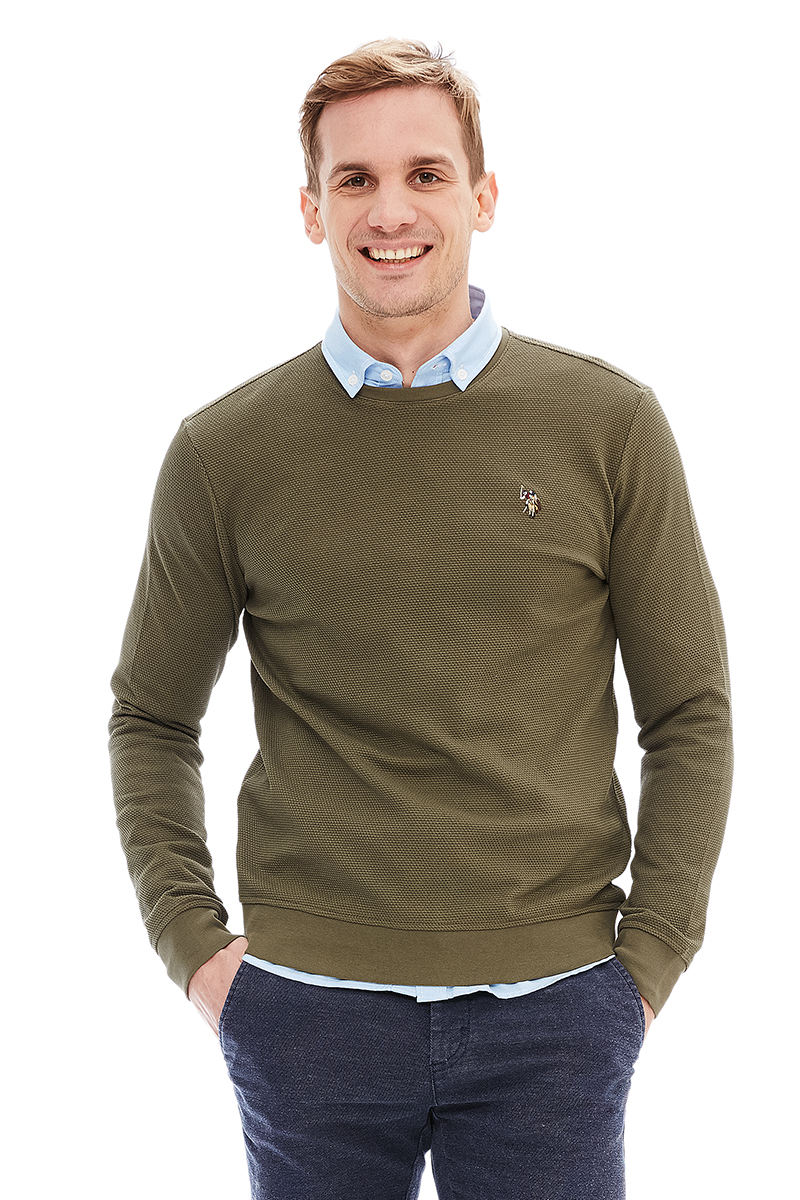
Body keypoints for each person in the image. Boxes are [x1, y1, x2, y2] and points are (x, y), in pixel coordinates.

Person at [109, 38, 733, 1199]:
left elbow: (688, 712)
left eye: (425, 173)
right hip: (307, 1019)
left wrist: (645, 964)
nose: (389, 210)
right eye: (353, 179)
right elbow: (149, 717)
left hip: (555, 1013)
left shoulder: (607, 424)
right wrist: (197, 953)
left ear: (481, 196)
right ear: (310, 209)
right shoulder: (224, 451)